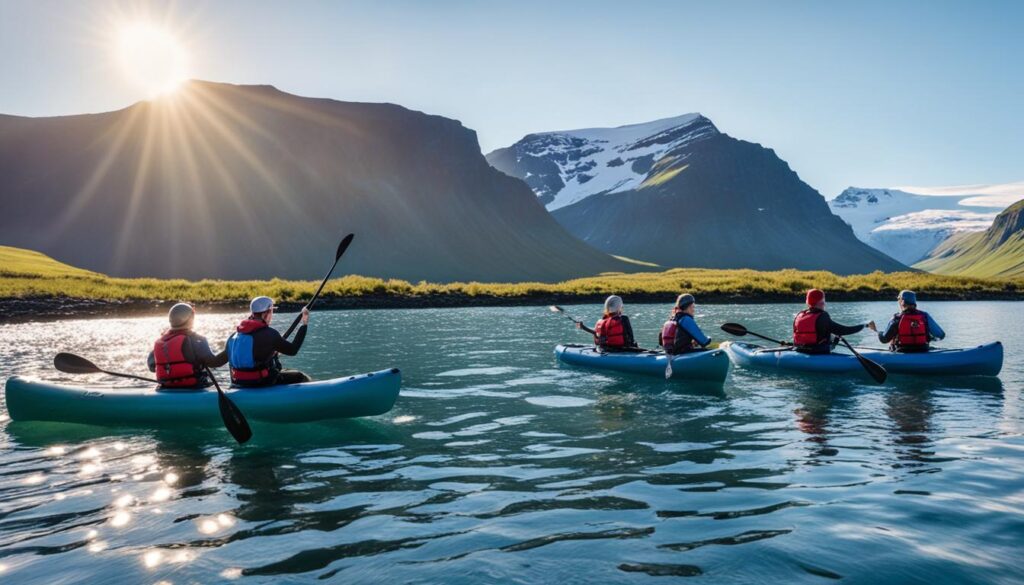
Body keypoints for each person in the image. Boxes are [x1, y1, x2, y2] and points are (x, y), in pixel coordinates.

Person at [226, 296, 312, 386]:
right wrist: (304, 324)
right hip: (261, 382)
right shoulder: (270, 334)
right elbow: (293, 350)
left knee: (283, 371)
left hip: (237, 382)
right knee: (300, 376)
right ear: (268, 312)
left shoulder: (234, 336)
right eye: (272, 311)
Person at [148, 302, 227, 388]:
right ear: (190, 319)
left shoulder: (162, 341)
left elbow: (152, 367)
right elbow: (214, 363)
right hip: (193, 386)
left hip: (166, 386)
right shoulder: (198, 339)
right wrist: (230, 350)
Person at [793, 289, 876, 354]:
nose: (824, 304)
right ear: (821, 302)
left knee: (832, 333)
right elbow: (844, 330)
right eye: (823, 301)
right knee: (837, 334)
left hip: (800, 348)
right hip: (817, 350)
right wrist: (864, 325)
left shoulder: (799, 315)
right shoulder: (823, 316)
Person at [877, 290, 945, 352]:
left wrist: (879, 333)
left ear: (901, 301)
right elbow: (941, 335)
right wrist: (930, 338)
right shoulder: (924, 316)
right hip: (922, 350)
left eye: (898, 299)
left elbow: (884, 339)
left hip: (902, 351)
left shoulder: (896, 318)